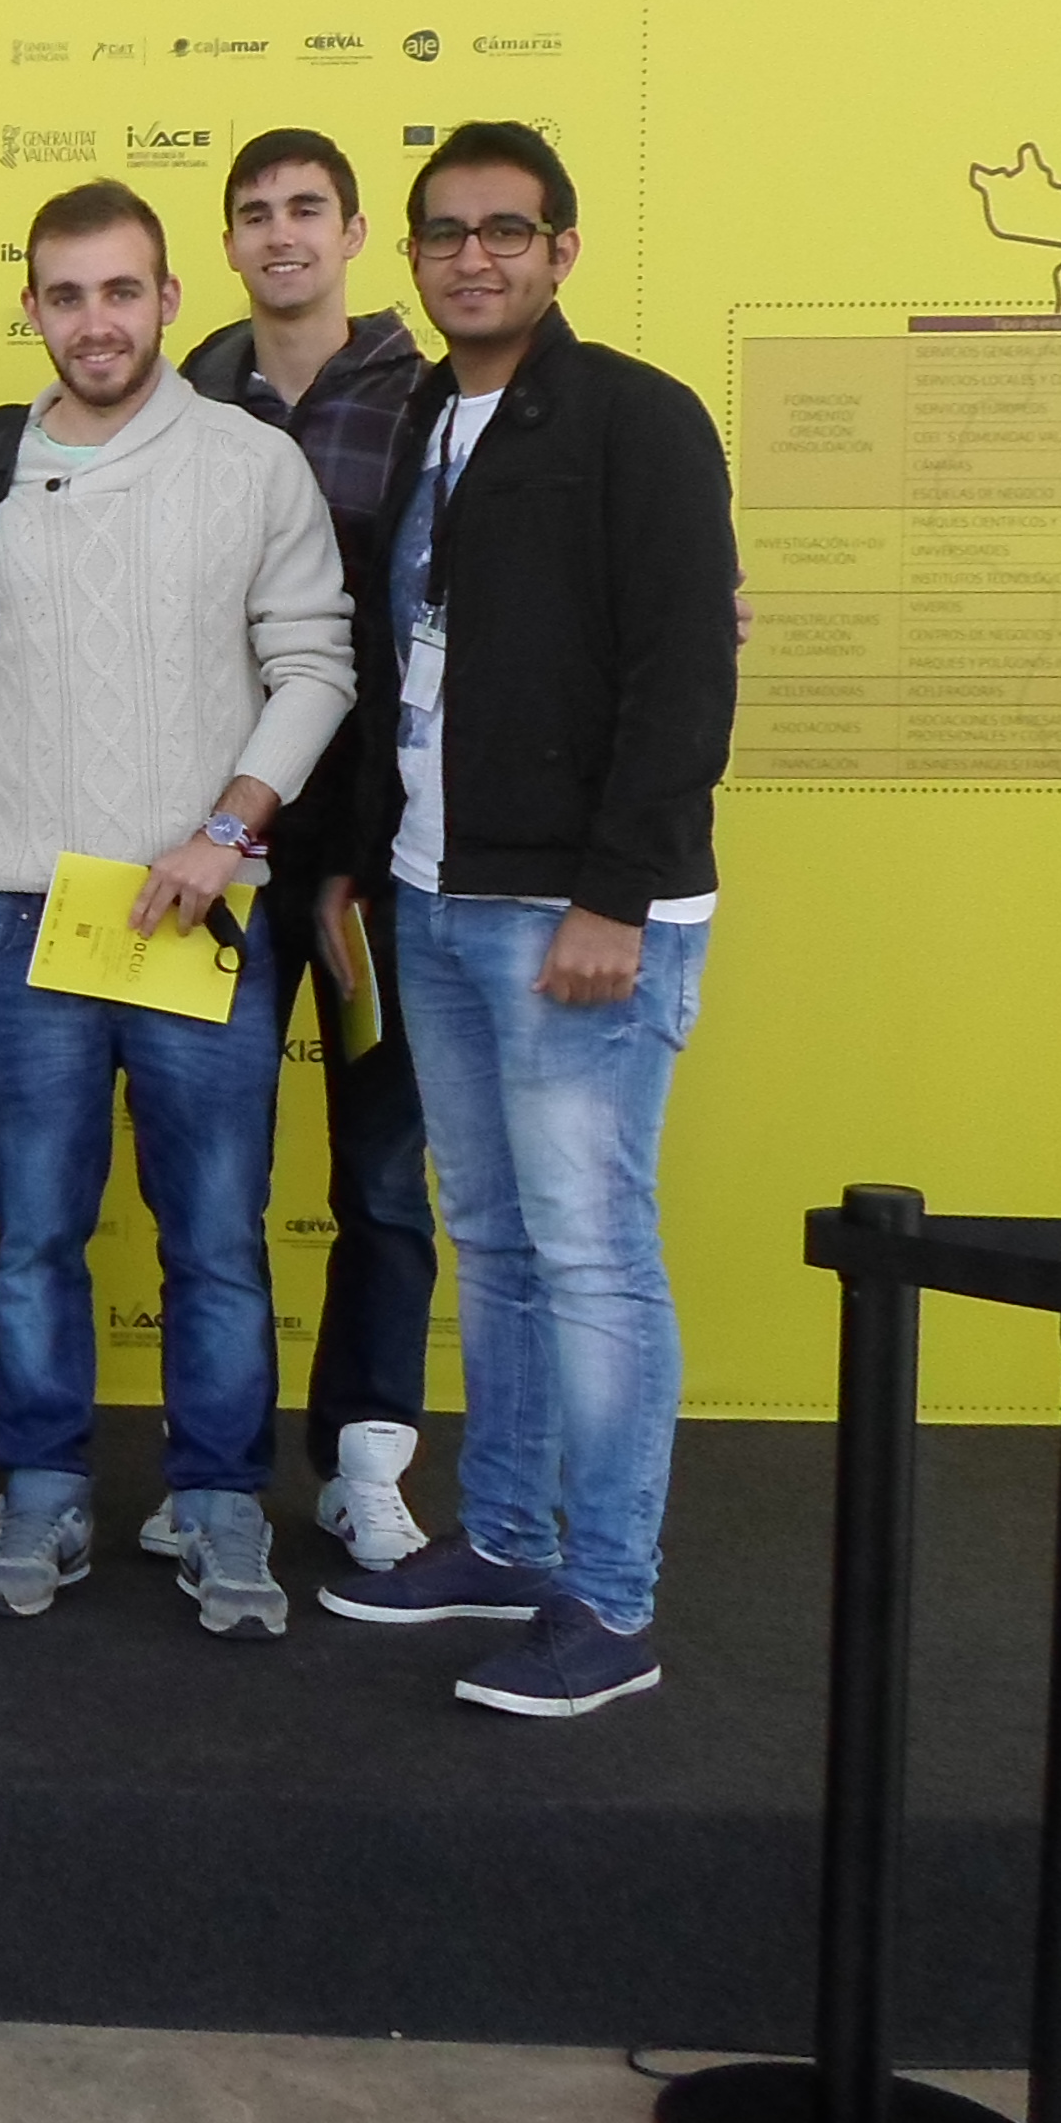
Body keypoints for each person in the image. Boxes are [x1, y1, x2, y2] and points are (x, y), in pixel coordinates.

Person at [0, 180, 353, 1639]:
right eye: (67, 294)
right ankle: (42, 1487)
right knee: (33, 1237)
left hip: (191, 915)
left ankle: (218, 1499)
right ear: (31, 307)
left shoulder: (252, 463)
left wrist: (226, 833)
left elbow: (316, 666)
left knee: (214, 1238)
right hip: (21, 916)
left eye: (122, 290)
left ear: (168, 299)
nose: (95, 320)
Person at [318, 122, 737, 1720]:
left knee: (592, 1259)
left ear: (562, 250)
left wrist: (615, 895)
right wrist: (370, 859)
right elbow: (408, 659)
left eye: (506, 230)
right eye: (445, 232)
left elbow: (684, 670)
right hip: (439, 894)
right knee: (489, 1241)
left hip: (579, 914)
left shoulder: (639, 418)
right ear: (413, 257)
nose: (472, 256)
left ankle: (610, 1606)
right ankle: (504, 1540)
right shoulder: (427, 416)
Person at [184, 132, 444, 1573]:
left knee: (383, 1178)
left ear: (352, 234)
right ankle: (214, 1475)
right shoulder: (182, 396)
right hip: (207, 861)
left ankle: (365, 1464)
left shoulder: (432, 402)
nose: (280, 233)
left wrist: (363, 845)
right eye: (254, 213)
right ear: (226, 244)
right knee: (209, 1181)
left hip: (375, 866)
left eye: (306, 210)